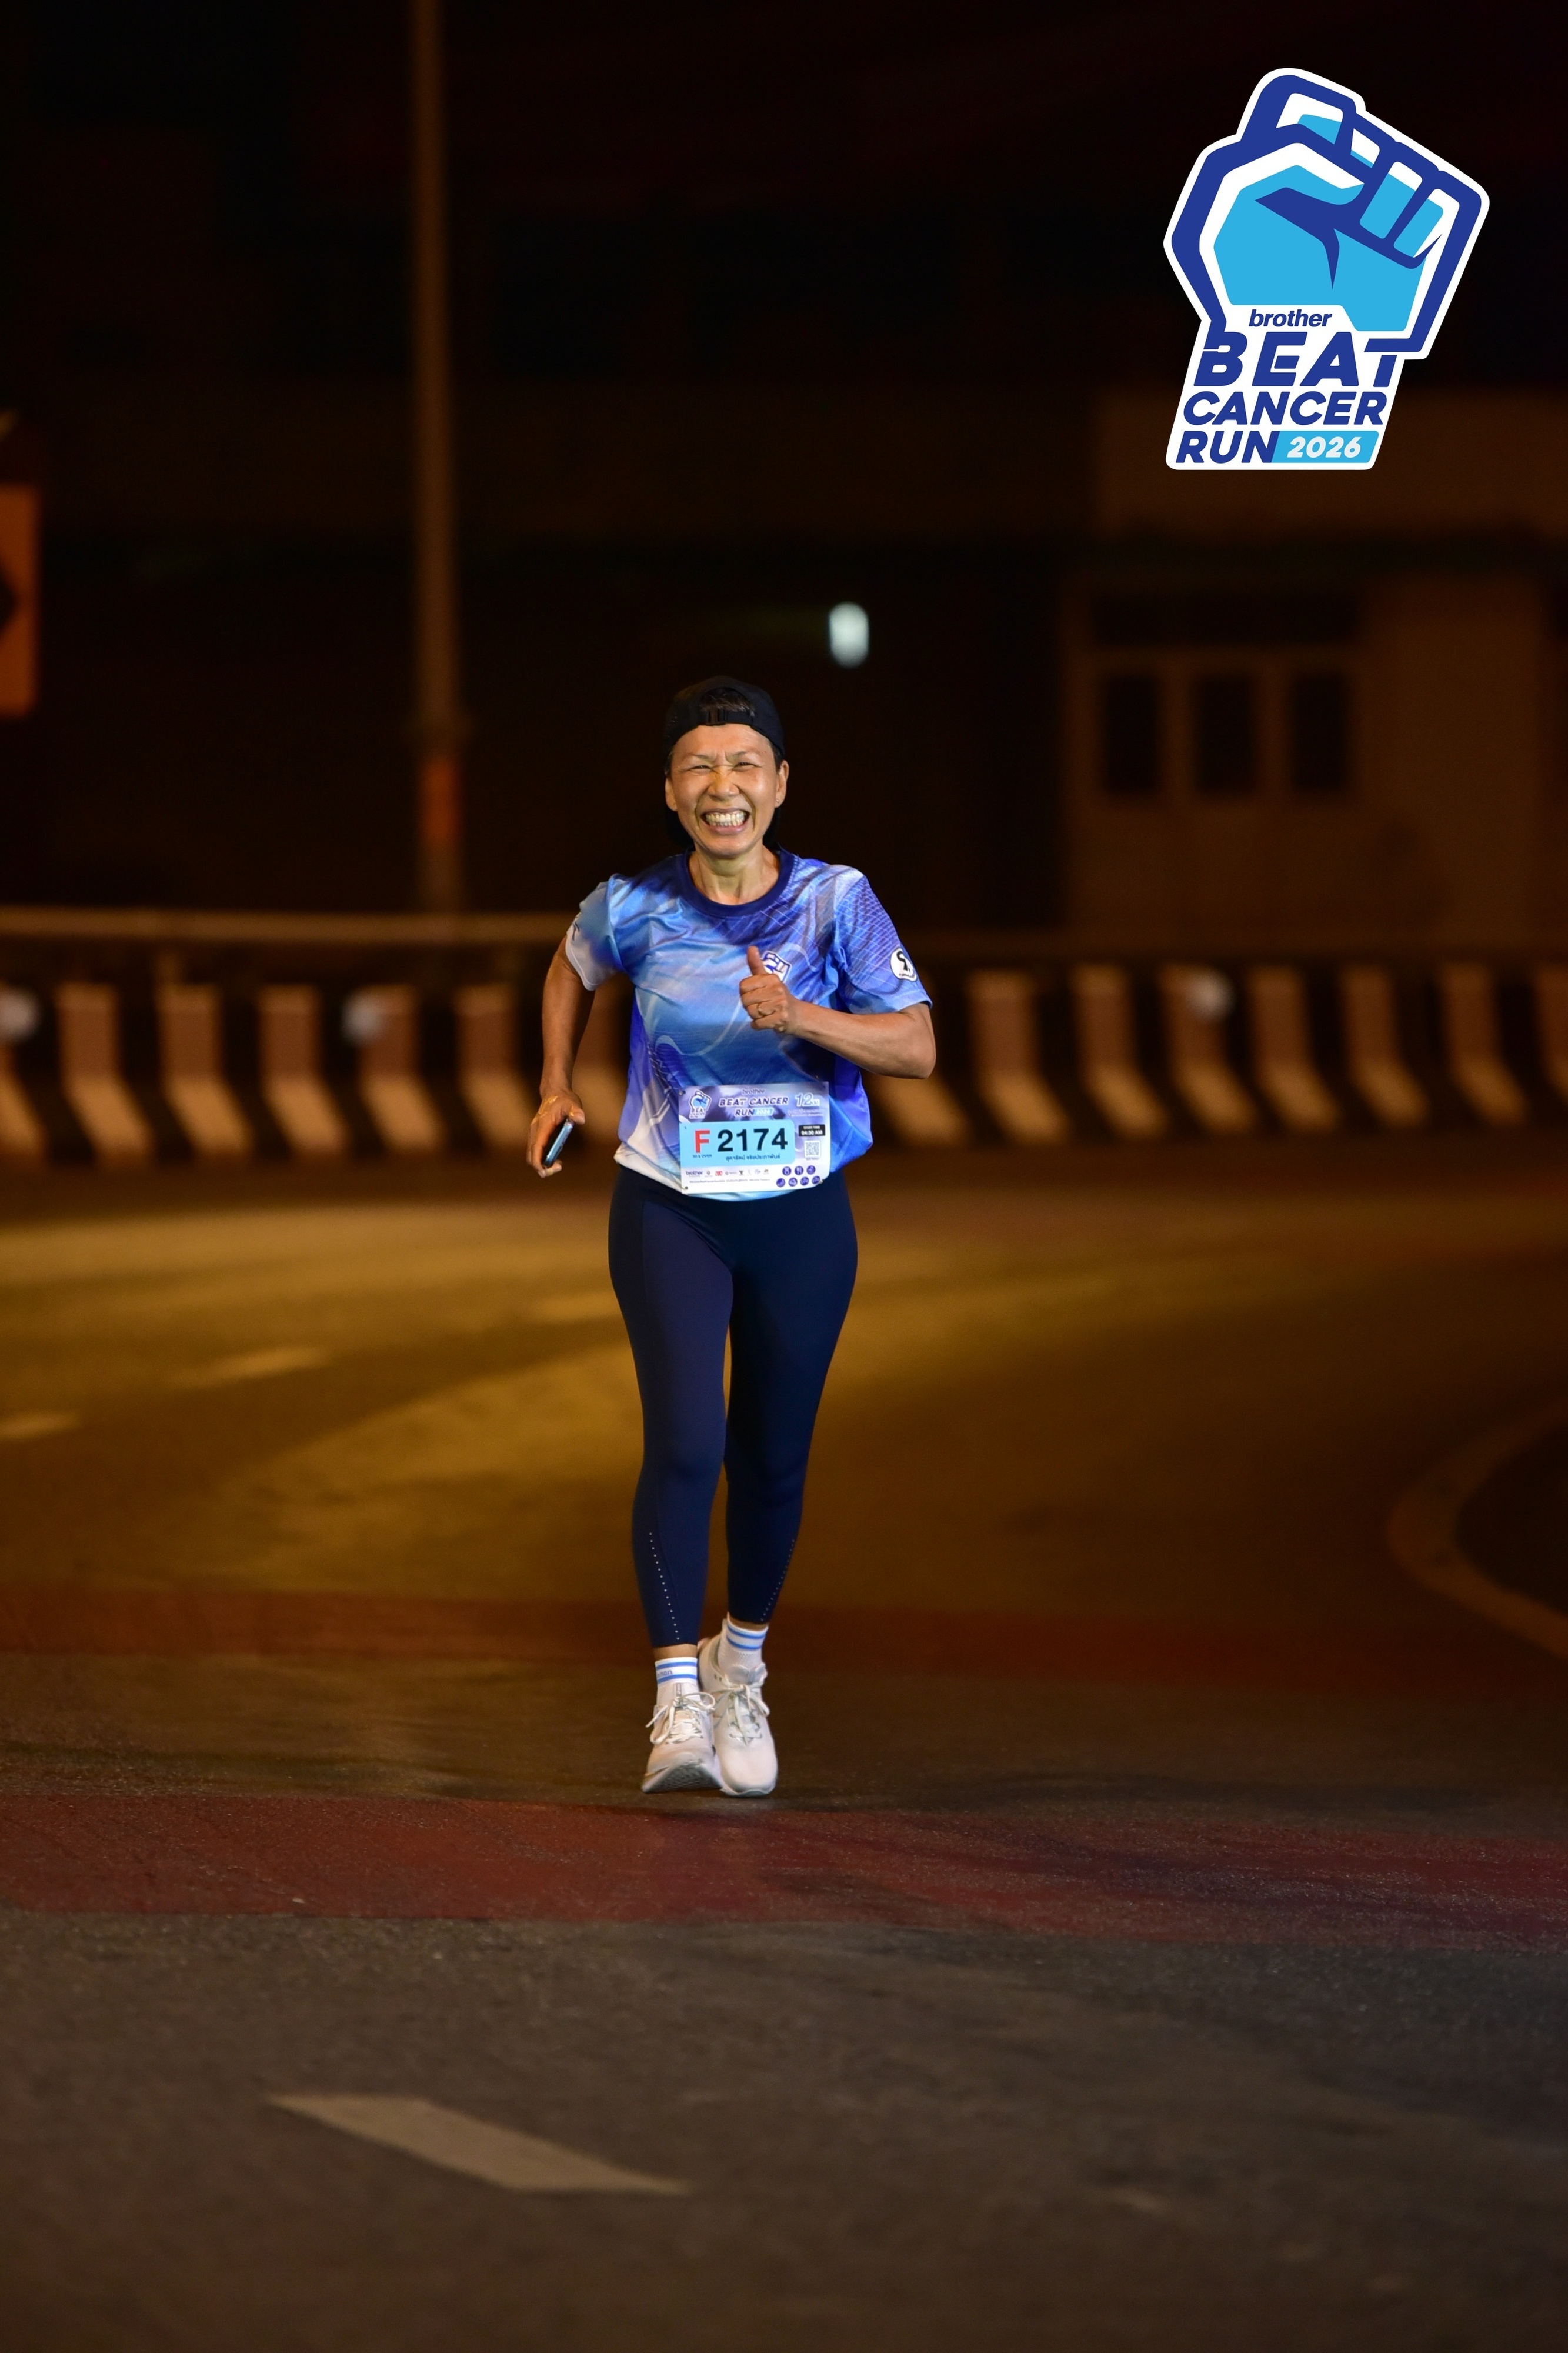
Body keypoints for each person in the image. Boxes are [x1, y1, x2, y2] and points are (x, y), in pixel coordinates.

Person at [528, 676, 935, 1796]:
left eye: (745, 765)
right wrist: (557, 1082)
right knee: (686, 1443)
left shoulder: (836, 902)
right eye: (699, 767)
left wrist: (799, 1014)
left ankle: (738, 1667)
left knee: (772, 1456)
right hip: (671, 1205)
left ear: (780, 785)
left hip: (801, 1212)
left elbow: (914, 1049)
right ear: (670, 792)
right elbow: (567, 964)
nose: (724, 785)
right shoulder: (632, 906)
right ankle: (674, 1697)